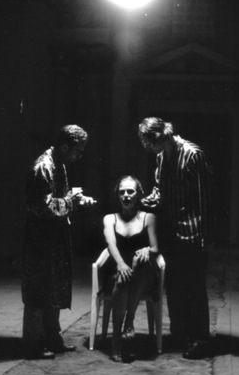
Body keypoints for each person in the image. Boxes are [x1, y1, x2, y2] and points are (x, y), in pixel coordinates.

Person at [138, 117, 213, 360]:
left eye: (149, 142)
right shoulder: (162, 156)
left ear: (161, 136)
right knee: (174, 286)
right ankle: (181, 334)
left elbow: (204, 199)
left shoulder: (193, 155)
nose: (147, 148)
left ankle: (200, 339)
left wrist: (205, 238)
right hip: (170, 232)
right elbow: (160, 191)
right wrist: (146, 200)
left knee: (194, 287)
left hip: (192, 234)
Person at [21, 124, 96, 359]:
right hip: (41, 241)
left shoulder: (59, 163)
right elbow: (44, 207)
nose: (79, 156)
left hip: (55, 238)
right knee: (39, 291)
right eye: (77, 151)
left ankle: (52, 337)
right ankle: (33, 344)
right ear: (65, 147)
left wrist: (75, 199)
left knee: (54, 289)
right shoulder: (43, 167)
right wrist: (71, 201)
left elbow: (58, 199)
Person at [101, 175, 164, 363]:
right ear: (117, 195)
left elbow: (155, 247)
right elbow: (111, 244)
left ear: (139, 195)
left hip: (144, 277)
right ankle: (119, 338)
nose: (126, 196)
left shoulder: (148, 218)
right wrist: (121, 264)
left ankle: (128, 322)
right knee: (122, 280)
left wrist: (147, 250)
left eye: (130, 191)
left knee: (139, 260)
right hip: (117, 273)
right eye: (122, 192)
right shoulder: (110, 219)